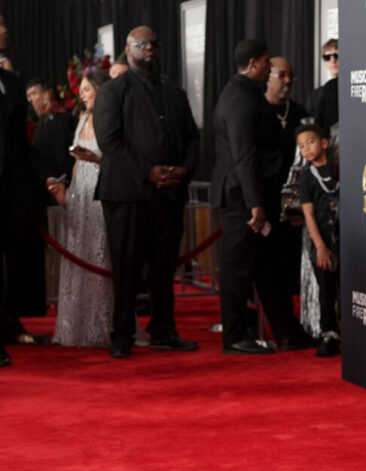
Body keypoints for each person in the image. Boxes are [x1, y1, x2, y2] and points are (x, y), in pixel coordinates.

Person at [93, 25, 200, 358]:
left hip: (169, 194)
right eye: (142, 44)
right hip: (127, 194)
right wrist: (148, 172)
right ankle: (122, 335)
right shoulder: (113, 91)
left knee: (164, 267)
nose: (149, 48)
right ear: (128, 49)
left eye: (154, 43)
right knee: (126, 268)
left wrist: (183, 170)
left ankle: (163, 331)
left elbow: (193, 138)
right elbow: (109, 140)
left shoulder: (174, 93)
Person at [212, 39, 313, 355]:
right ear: (254, 63)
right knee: (238, 269)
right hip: (242, 198)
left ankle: (287, 332)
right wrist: (255, 204)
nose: (270, 68)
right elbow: (244, 156)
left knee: (269, 266)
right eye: (268, 62)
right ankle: (234, 337)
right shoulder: (240, 98)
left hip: (254, 195)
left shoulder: (247, 93)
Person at [46, 70, 141, 348]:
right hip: (80, 192)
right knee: (79, 253)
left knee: (101, 255)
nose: (82, 95)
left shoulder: (111, 119)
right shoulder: (82, 117)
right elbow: (76, 163)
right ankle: (74, 326)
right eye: (82, 90)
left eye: (87, 89)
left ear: (101, 91)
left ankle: (106, 324)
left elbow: (118, 158)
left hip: (103, 188)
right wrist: (68, 190)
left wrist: (96, 160)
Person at [0, 14, 46, 348]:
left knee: (16, 255)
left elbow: (21, 138)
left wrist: (43, 178)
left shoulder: (13, 81)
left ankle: (11, 323)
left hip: (14, 186)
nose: (5, 30)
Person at [264, 57, 309, 295]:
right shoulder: (257, 110)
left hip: (294, 201)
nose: (288, 80)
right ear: (267, 76)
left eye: (291, 75)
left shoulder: (300, 113)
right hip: (265, 199)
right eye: (282, 75)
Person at [295, 124, 340, 358]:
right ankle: (328, 333)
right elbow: (309, 215)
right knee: (327, 289)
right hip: (323, 240)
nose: (306, 149)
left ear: (324, 143)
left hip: (346, 236)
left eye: (310, 142)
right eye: (301, 146)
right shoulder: (307, 178)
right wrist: (320, 247)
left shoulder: (339, 170)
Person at [306, 39, 338, 130]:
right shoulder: (315, 95)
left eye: (337, 55)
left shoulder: (353, 89)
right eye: (327, 57)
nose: (333, 60)